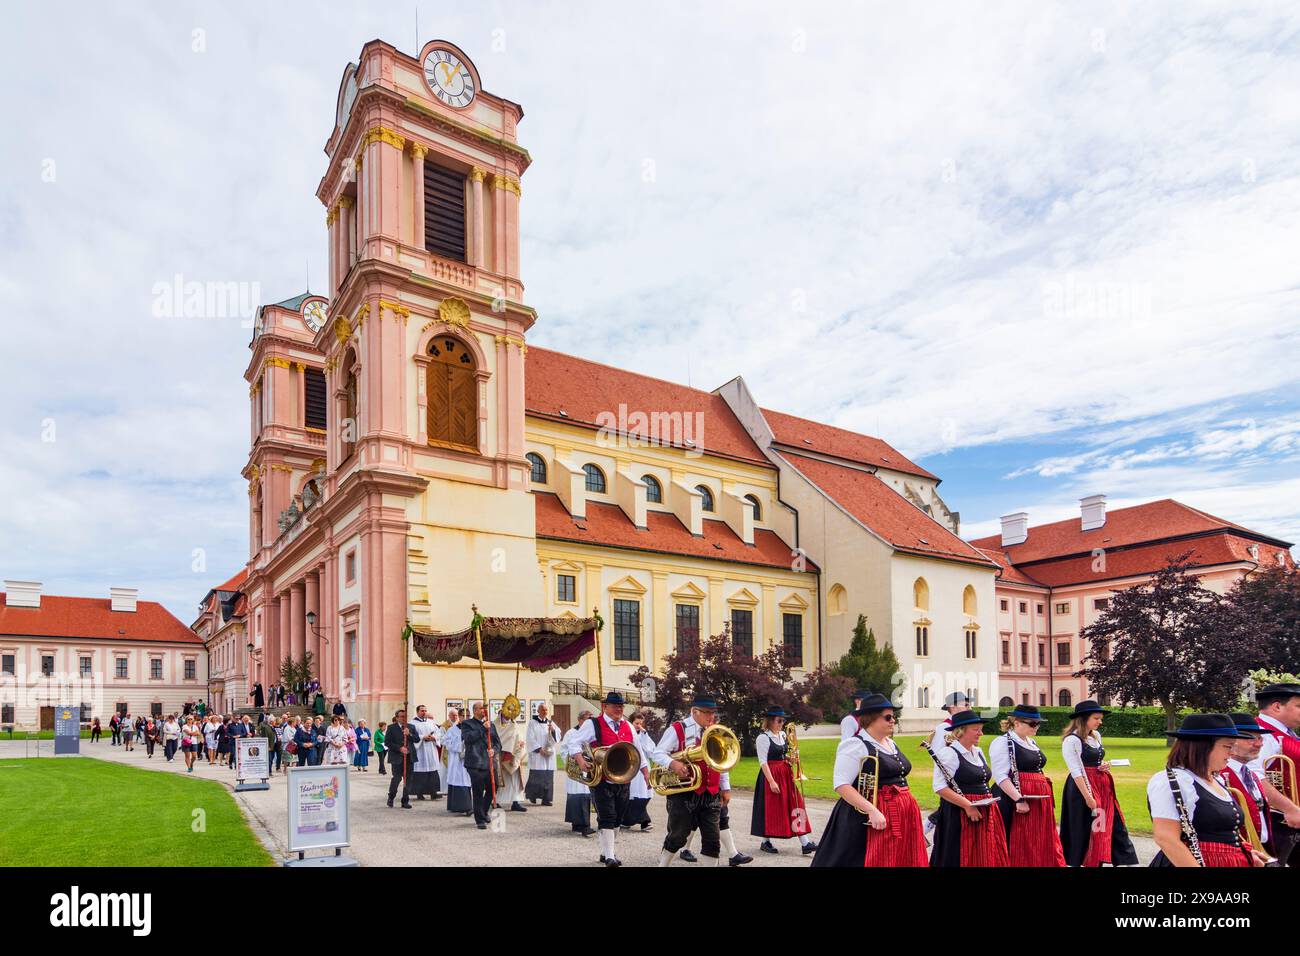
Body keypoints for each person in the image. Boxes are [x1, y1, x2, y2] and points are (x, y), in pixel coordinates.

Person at [813, 692, 926, 867]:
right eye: (888, 717)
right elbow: (841, 784)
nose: (893, 720)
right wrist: (872, 810)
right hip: (868, 815)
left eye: (893, 716)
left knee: (901, 858)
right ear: (871, 719)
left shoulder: (891, 743)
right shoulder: (855, 745)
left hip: (901, 812)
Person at [1149, 713, 1266, 867]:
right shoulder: (1175, 781)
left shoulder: (1216, 779)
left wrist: (1244, 853)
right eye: (1228, 746)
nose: (1231, 752)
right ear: (1203, 746)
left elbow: (1220, 832)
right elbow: (1166, 838)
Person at [652, 694, 730, 868]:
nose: (711, 717)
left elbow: (722, 761)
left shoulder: (716, 731)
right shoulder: (678, 728)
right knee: (678, 836)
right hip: (683, 793)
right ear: (694, 711)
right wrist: (673, 763)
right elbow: (657, 753)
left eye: (713, 713)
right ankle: (662, 865)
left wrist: (725, 787)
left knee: (712, 840)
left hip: (710, 792)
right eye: (707, 713)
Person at [1059, 700, 1137, 867]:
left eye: (1100, 718)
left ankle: (1101, 859)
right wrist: (1088, 797)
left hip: (1102, 784)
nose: (1100, 722)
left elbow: (1094, 760)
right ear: (1083, 719)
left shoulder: (1095, 736)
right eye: (1096, 718)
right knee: (1083, 825)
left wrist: (1103, 764)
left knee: (1105, 822)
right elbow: (1076, 771)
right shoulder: (1071, 741)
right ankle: (1077, 861)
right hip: (1082, 788)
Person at [930, 709, 1010, 867]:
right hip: (959, 813)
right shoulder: (949, 753)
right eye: (976, 729)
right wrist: (968, 806)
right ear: (960, 731)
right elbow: (939, 787)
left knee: (986, 853)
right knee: (960, 854)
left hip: (984, 810)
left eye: (981, 729)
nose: (980, 733)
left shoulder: (978, 752)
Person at [991, 704, 1065, 866]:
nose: (1036, 727)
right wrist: (1018, 799)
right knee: (1017, 840)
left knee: (1037, 839)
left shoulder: (1031, 742)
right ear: (1016, 723)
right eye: (1032, 723)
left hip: (1037, 799)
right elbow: (1000, 776)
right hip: (1013, 799)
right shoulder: (1002, 742)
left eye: (1038, 723)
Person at [569, 692, 638, 866]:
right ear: (604, 707)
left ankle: (606, 852)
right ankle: (610, 857)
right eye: (615, 706)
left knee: (618, 819)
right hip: (602, 779)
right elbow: (574, 742)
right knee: (607, 816)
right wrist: (580, 760)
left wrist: (644, 771)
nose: (619, 709)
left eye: (621, 706)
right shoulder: (593, 724)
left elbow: (638, 752)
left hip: (623, 779)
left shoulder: (628, 726)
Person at [751, 705, 816, 855]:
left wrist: (790, 758)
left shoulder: (782, 735)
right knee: (772, 808)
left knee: (796, 803)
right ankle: (765, 841)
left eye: (783, 720)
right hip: (771, 775)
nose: (782, 723)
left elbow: (781, 755)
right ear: (770, 721)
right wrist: (772, 782)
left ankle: (805, 842)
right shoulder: (763, 738)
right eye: (779, 720)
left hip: (785, 774)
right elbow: (763, 762)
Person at [1254, 682, 1300, 865]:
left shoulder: (1287, 734)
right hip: (1279, 823)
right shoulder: (1262, 735)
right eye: (1298, 706)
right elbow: (1254, 778)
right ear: (1277, 706)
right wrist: (1290, 809)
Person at [459, 702, 502, 829]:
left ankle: (483, 811)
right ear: (474, 710)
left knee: (493, 788)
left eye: (484, 708)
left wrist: (494, 750)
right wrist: (483, 728)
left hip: (489, 762)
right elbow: (468, 738)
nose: (483, 711)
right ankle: (479, 819)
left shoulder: (491, 724)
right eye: (480, 709)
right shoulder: (467, 724)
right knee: (478, 791)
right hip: (475, 762)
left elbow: (498, 743)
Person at [561, 711, 596, 836]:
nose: (589, 722)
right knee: (578, 795)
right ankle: (582, 825)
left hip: (588, 767)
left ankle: (581, 824)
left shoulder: (591, 733)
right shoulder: (571, 733)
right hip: (576, 769)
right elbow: (564, 749)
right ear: (580, 720)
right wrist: (574, 760)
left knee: (585, 796)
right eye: (587, 719)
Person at [620, 710, 654, 831]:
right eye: (636, 723)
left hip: (644, 768)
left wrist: (644, 737)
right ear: (631, 722)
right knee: (632, 796)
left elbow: (651, 752)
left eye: (641, 723)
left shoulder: (644, 735)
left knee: (645, 796)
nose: (639, 726)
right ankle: (644, 821)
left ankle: (627, 820)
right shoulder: (627, 733)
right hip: (632, 769)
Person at [525, 703, 561, 807]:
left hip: (549, 755)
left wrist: (553, 730)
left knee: (548, 777)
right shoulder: (532, 723)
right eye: (543, 710)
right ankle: (533, 795)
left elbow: (558, 734)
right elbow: (530, 738)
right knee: (537, 776)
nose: (545, 712)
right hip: (538, 755)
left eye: (546, 710)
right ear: (538, 711)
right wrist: (539, 749)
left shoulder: (550, 723)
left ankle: (546, 799)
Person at [494, 703, 526, 812]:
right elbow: (497, 739)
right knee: (500, 780)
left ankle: (515, 802)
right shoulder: (496, 724)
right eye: (507, 711)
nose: (509, 714)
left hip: (514, 755)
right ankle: (496, 801)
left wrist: (520, 744)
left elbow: (519, 737)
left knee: (515, 780)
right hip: (501, 756)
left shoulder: (515, 724)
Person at [442, 709, 473, 815]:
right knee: (458, 780)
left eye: (468, 715)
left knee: (467, 781)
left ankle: (467, 805)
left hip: (468, 759)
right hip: (456, 760)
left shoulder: (472, 729)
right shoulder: (452, 730)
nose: (466, 718)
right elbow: (446, 742)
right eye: (464, 715)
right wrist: (459, 745)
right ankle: (459, 806)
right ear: (459, 716)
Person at [408, 705, 442, 800]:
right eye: (422, 711)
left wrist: (433, 737)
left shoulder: (431, 722)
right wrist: (423, 737)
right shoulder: (412, 723)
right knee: (420, 773)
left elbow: (439, 733)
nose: (424, 712)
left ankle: (433, 792)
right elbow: (411, 736)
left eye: (425, 710)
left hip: (431, 750)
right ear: (417, 712)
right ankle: (419, 793)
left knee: (433, 772)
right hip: (421, 751)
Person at [385, 710, 416, 809]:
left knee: (408, 780)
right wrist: (399, 748)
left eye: (405, 716)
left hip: (409, 757)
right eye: (401, 716)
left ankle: (405, 800)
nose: (403, 718)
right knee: (396, 779)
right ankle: (391, 797)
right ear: (397, 718)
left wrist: (409, 735)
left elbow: (417, 739)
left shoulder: (411, 727)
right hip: (397, 758)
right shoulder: (391, 728)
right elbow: (387, 742)